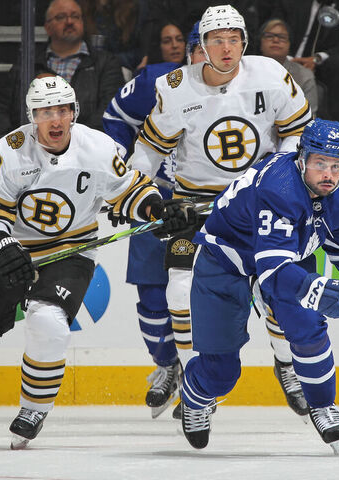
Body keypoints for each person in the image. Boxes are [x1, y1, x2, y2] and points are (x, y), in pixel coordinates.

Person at [179, 119, 339, 453]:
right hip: (226, 257)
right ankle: (194, 398)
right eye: (320, 163)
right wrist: (315, 288)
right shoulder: (280, 188)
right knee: (221, 372)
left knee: (307, 326)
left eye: (336, 165)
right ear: (301, 158)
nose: (329, 175)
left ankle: (321, 404)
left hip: (288, 254)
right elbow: (270, 270)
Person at [128, 5, 313, 419]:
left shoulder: (269, 75)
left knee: (276, 292)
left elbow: (299, 135)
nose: (225, 48)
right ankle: (200, 383)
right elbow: (147, 152)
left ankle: (287, 364)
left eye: (233, 40)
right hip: (197, 209)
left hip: (259, 204)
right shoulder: (175, 87)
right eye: (216, 40)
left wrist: (271, 180)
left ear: (244, 44)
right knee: (179, 289)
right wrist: (141, 196)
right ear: (202, 47)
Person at [0, 75, 195, 449]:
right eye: (45, 111)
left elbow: (130, 190)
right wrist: (2, 246)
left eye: (63, 110)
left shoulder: (98, 148)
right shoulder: (10, 150)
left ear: (74, 112)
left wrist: (157, 208)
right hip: (13, 248)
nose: (55, 120)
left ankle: (33, 408)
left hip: (71, 251)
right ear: (31, 115)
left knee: (48, 321)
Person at [103, 22, 201, 419]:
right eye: (200, 46)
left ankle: (198, 381)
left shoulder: (242, 89)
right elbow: (115, 117)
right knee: (152, 294)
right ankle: (166, 365)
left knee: (199, 297)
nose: (207, 54)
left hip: (207, 207)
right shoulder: (157, 80)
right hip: (157, 202)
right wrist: (125, 176)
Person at [0, 0, 124, 140]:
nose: (69, 21)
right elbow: (2, 107)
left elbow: (110, 110)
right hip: (29, 150)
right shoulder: (27, 62)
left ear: (83, 23)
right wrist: (12, 143)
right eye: (61, 17)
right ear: (47, 27)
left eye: (75, 16)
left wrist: (74, 143)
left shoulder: (105, 63)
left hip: (84, 149)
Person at [266, 0, 339, 123]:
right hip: (285, 62)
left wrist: (317, 59)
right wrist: (288, 60)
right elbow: (272, 29)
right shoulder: (290, 3)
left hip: (325, 70)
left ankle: (331, 130)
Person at [259, 18, 319, 114]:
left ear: (289, 44)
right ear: (261, 43)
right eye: (269, 36)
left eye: (282, 37)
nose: (275, 40)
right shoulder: (245, 71)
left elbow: (310, 117)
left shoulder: (304, 76)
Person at [82, 0, 149, 76]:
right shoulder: (81, 7)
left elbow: (139, 52)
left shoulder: (136, 6)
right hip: (87, 69)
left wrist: (109, 60)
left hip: (122, 69)